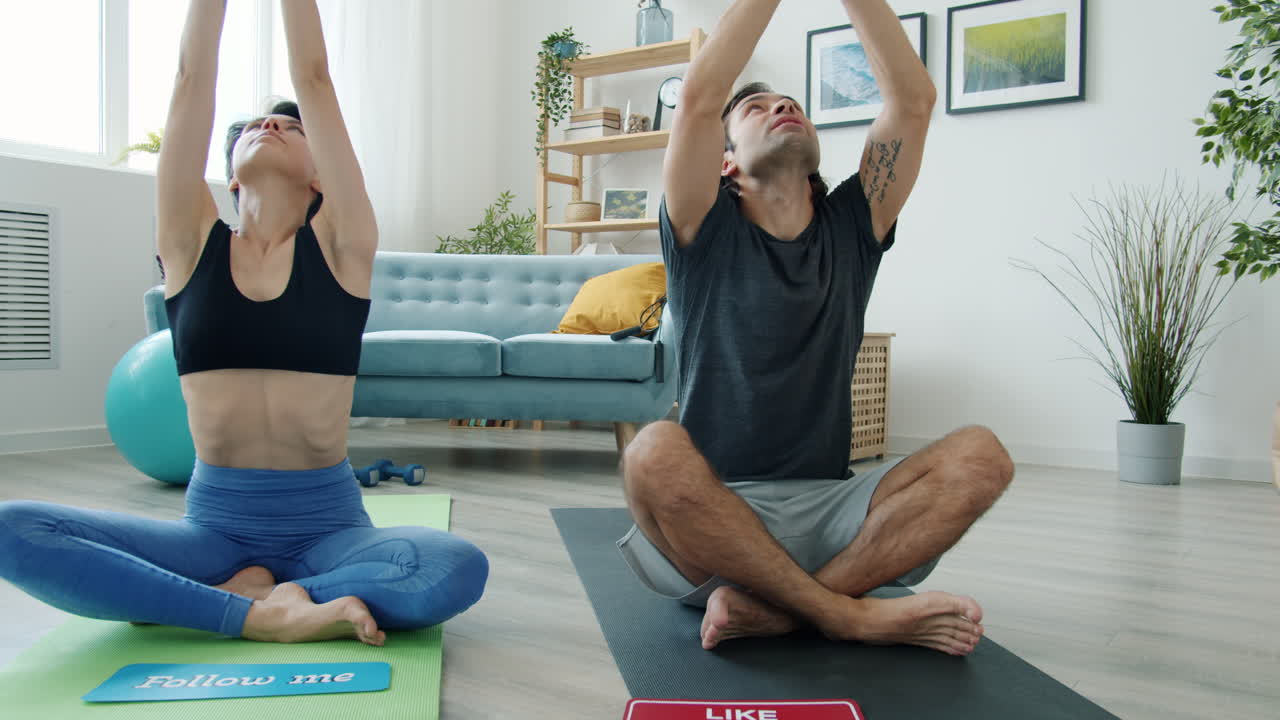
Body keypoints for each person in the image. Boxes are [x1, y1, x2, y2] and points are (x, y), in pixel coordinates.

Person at [0, 0, 487, 646]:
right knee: (14, 529)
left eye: (289, 126)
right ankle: (261, 612)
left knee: (453, 567)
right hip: (213, 531)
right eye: (254, 125)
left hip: (329, 529)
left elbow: (314, 75)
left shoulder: (344, 245)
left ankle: (237, 599)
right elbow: (189, 80)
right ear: (229, 176)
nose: (269, 123)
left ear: (320, 175)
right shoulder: (186, 241)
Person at [618, 0, 1014, 656]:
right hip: (714, 517)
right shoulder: (702, 230)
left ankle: (786, 611)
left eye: (791, 102)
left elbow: (912, 101)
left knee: (982, 456)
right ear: (725, 164)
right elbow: (696, 99)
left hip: (834, 516)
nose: (782, 106)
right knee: (651, 452)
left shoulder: (853, 228)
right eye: (755, 108)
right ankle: (849, 615)